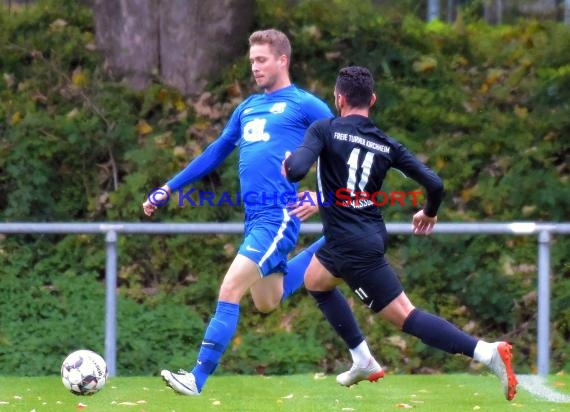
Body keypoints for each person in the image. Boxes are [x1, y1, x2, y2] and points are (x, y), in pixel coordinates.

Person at [142, 29, 378, 396]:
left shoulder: (306, 105)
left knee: (230, 287)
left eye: (261, 59)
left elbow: (350, 151)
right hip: (255, 220)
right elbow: (216, 152)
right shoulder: (247, 107)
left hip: (279, 216)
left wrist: (321, 196)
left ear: (283, 60)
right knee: (267, 300)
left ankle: (196, 378)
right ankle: (335, 242)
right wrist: (169, 187)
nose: (254, 67)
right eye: (252, 60)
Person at [283, 66, 518, 401]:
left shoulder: (325, 130)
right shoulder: (387, 145)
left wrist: (290, 163)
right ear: (373, 100)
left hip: (352, 246)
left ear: (339, 99)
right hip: (360, 235)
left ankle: (485, 352)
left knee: (406, 316)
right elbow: (435, 184)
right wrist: (429, 212)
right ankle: (362, 358)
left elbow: (295, 171)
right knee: (315, 281)